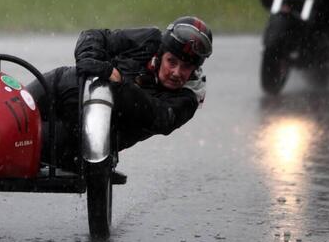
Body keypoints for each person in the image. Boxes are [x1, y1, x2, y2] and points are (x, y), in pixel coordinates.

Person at [27, 16, 212, 171]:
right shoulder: (150, 39)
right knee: (11, 113)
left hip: (89, 135)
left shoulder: (188, 97)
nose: (176, 72)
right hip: (64, 86)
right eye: (171, 61)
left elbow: (159, 118)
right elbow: (96, 36)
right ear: (161, 54)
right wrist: (90, 59)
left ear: (195, 69)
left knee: (20, 138)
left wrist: (120, 84)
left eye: (186, 67)